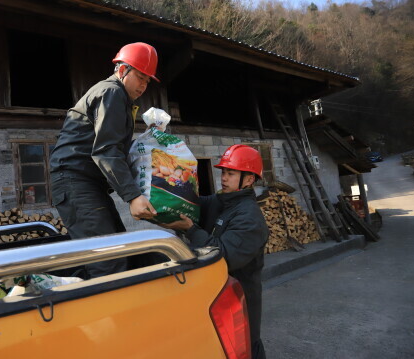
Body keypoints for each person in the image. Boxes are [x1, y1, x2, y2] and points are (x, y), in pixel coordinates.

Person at [49, 42, 159, 279]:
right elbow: (106, 150)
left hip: (88, 183)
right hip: (75, 181)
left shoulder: (121, 99)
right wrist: (133, 196)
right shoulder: (111, 92)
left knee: (118, 250)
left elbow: (116, 150)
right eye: (140, 77)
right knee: (108, 261)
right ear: (122, 70)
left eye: (148, 81)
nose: (144, 85)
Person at [159, 144, 269, 359]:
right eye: (223, 172)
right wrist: (163, 197)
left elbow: (224, 257)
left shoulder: (250, 218)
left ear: (248, 179)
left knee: (244, 348)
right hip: (215, 294)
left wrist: (191, 230)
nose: (223, 178)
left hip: (239, 300)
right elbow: (194, 205)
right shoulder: (221, 202)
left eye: (230, 173)